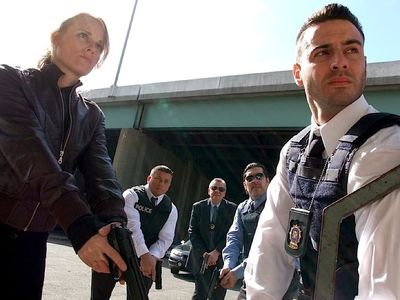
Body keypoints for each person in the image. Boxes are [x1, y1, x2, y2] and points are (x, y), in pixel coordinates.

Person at [245, 3, 400, 300]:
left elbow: (386, 290)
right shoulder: (294, 152)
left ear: (364, 63)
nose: (340, 62)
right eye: (323, 52)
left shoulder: (386, 146)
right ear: (298, 73)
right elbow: (270, 250)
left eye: (351, 50)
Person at [0, 13, 128, 299]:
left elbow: (102, 175)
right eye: (84, 36)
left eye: (99, 45)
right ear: (55, 38)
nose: (92, 49)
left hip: (33, 244)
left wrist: (116, 223)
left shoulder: (92, 115)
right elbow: (32, 156)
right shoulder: (10, 80)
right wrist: (80, 224)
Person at [91, 165, 178, 299]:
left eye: (166, 181)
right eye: (158, 179)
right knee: (99, 297)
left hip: (147, 259)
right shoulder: (132, 195)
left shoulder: (171, 209)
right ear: (149, 178)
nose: (161, 183)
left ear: (170, 185)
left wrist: (152, 256)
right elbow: (132, 228)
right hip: (114, 253)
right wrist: (144, 254)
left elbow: (166, 238)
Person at [220, 162, 270, 299]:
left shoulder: (275, 206)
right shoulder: (242, 208)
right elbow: (234, 238)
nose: (254, 181)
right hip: (251, 276)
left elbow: (267, 249)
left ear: (268, 181)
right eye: (249, 178)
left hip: (277, 279)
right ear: (245, 185)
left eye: (259, 176)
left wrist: (237, 272)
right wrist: (228, 266)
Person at [186, 178, 237, 300]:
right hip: (201, 258)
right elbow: (192, 232)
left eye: (221, 189)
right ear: (209, 190)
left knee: (218, 296)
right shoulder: (198, 207)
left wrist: (216, 252)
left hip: (221, 260)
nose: (217, 191)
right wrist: (205, 254)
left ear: (224, 193)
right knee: (199, 295)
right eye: (214, 188)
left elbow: (232, 234)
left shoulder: (232, 209)